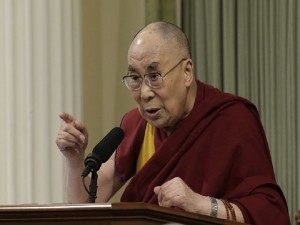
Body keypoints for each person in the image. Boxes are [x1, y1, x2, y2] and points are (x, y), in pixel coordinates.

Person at [56, 21, 291, 224]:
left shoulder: (232, 119)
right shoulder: (136, 125)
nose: (145, 92)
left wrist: (199, 204)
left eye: (154, 76)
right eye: (135, 79)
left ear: (187, 72)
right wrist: (75, 162)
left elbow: (270, 213)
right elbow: (87, 202)